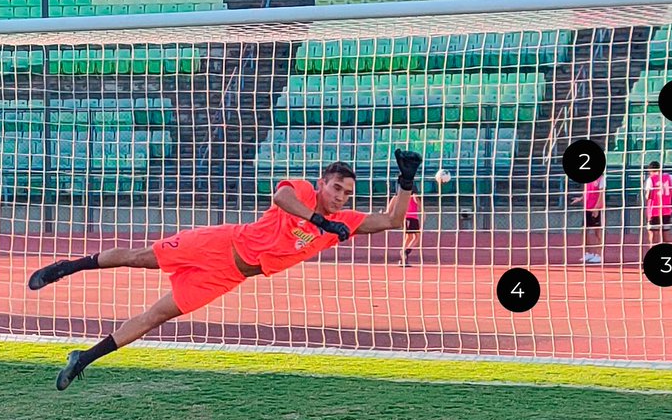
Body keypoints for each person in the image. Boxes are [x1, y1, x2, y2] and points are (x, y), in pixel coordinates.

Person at [28, 149, 423, 390]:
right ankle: (67, 267)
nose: (341, 198)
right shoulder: (304, 192)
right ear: (322, 184)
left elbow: (391, 220)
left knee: (155, 317)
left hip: (226, 276)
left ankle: (83, 359)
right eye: (337, 188)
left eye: (347, 194)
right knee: (138, 257)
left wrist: (406, 181)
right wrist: (319, 222)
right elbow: (281, 196)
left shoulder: (344, 222)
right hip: (220, 242)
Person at [644, 161, 672, 249]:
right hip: (666, 209)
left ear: (650, 170)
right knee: (666, 235)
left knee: (653, 236)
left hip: (654, 210)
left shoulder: (651, 179)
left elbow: (648, 196)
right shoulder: (670, 177)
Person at [571, 173, 604, 264]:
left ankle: (599, 255)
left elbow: (601, 195)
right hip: (587, 208)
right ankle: (588, 253)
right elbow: (587, 192)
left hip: (595, 208)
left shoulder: (601, 179)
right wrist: (580, 198)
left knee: (597, 232)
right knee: (584, 230)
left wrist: (597, 208)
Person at [389, 191, 422, 266]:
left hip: (411, 218)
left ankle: (404, 256)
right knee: (415, 237)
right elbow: (420, 206)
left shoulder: (404, 197)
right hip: (410, 218)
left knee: (410, 237)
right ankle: (405, 252)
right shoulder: (410, 197)